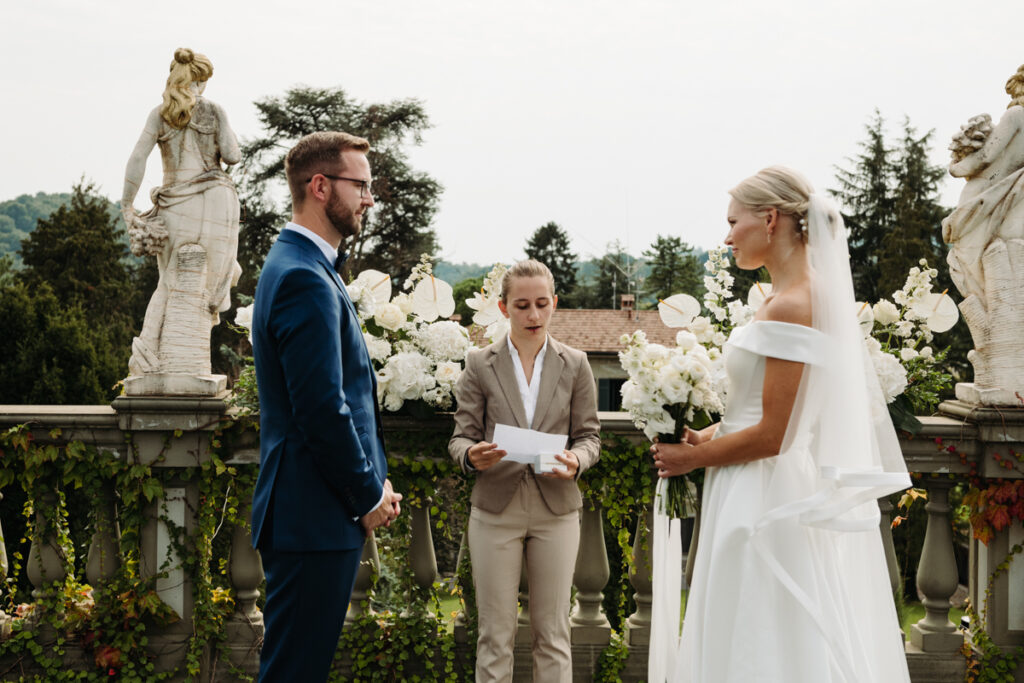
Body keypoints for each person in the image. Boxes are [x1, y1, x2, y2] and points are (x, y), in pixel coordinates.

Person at [648, 167, 912, 682]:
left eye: (733, 222)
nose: (726, 237)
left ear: (770, 220)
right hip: (749, 478)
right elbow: (762, 410)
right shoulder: (780, 299)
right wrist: (703, 434)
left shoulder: (792, 307)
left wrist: (694, 458)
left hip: (763, 492)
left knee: (757, 626)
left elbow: (776, 436)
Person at [250, 131, 402, 682]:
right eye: (359, 185)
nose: (369, 198)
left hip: (311, 516)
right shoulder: (301, 277)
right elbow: (321, 410)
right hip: (311, 517)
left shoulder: (301, 265)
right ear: (319, 186)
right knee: (294, 672)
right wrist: (367, 494)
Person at [449, 259, 601, 683]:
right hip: (495, 510)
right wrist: (470, 455)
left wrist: (578, 460)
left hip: (557, 510)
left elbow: (590, 437)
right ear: (503, 308)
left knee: (553, 635)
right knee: (494, 636)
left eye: (540, 304)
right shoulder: (479, 363)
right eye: (521, 306)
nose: (533, 315)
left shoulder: (576, 364)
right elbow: (459, 438)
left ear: (554, 303)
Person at [121, 47, 242, 378]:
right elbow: (232, 155)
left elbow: (137, 158)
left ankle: (149, 358)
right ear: (200, 81)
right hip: (217, 202)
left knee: (169, 282)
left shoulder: (161, 114)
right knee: (211, 284)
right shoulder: (215, 111)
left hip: (178, 204)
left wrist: (127, 204)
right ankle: (182, 361)